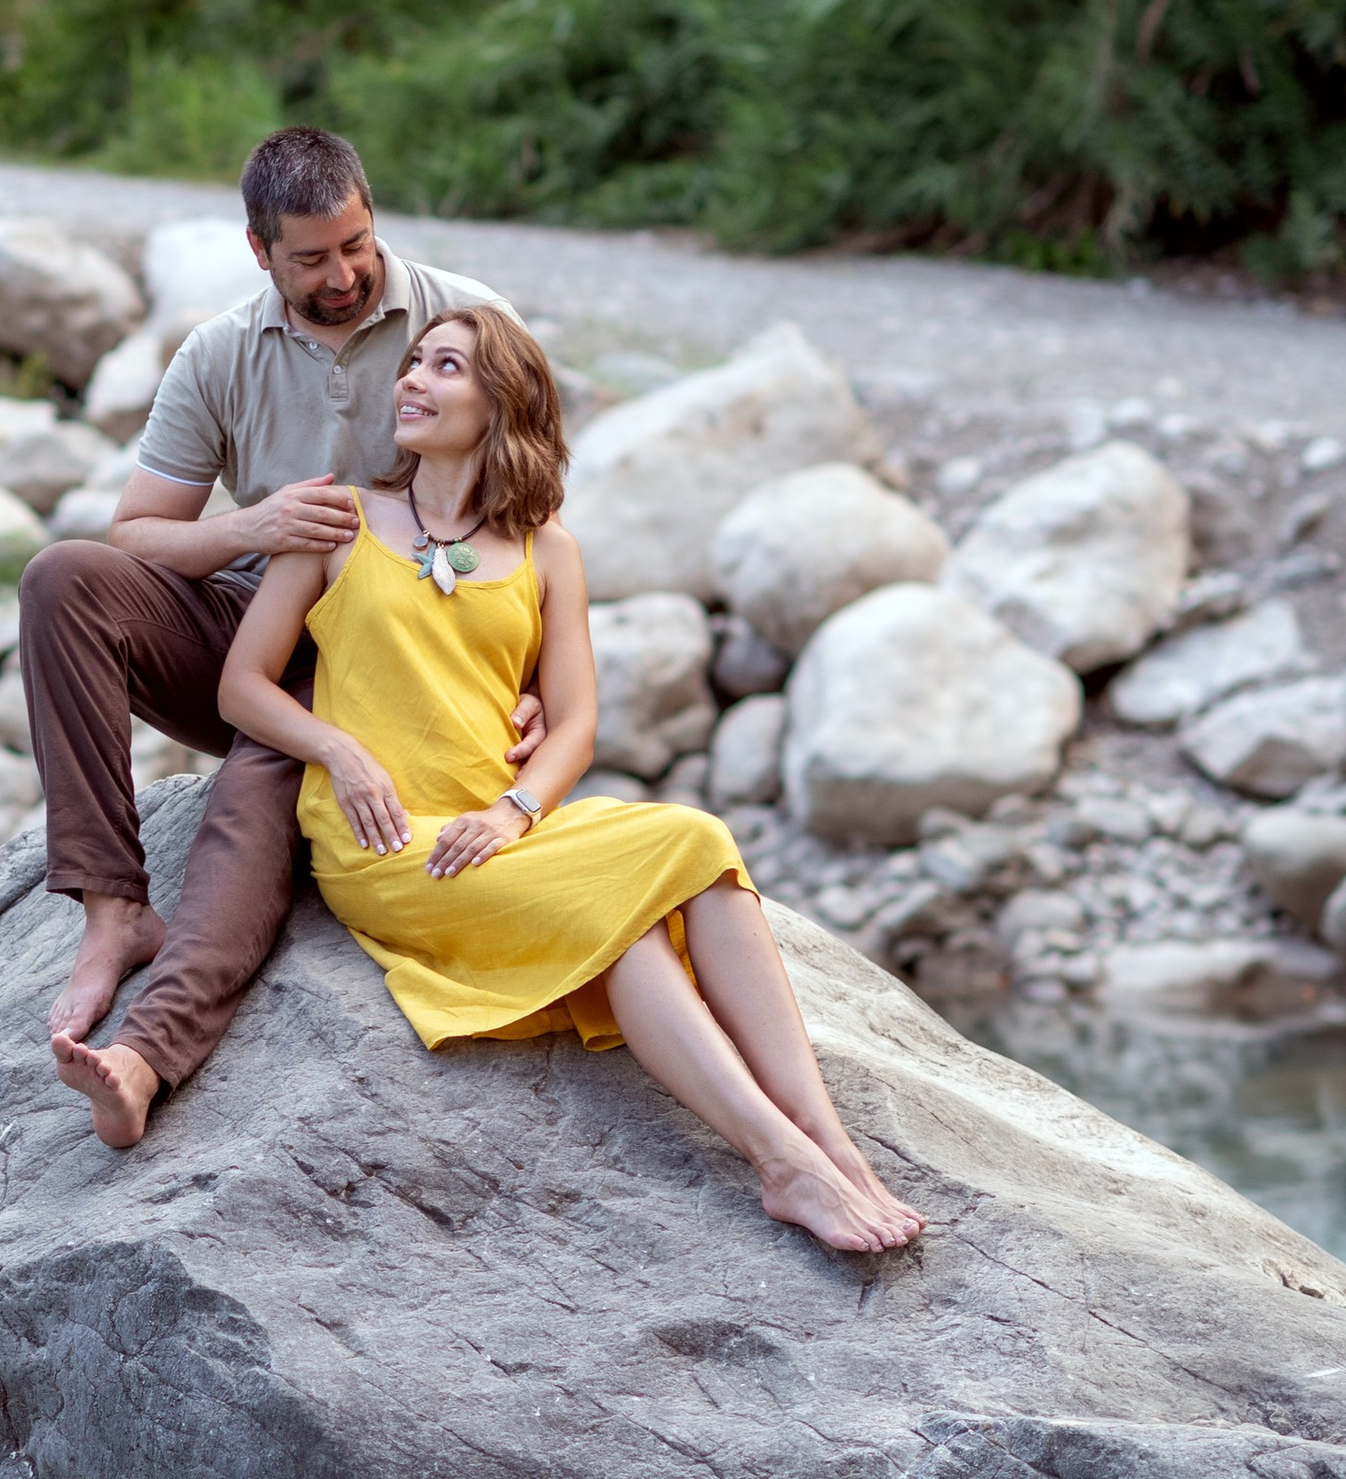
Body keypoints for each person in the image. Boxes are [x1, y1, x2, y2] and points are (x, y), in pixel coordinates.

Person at [216, 305, 924, 1258]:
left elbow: (576, 719)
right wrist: (341, 752)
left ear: (500, 400)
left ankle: (825, 1146)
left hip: (497, 828)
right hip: (388, 844)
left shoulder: (548, 549)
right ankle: (780, 1161)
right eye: (413, 364)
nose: (412, 381)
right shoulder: (338, 517)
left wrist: (516, 809)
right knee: (624, 920)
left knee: (697, 844)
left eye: (446, 366)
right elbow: (241, 686)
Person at [18, 126, 532, 1149]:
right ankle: (112, 904)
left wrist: (533, 683)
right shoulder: (217, 354)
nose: (342, 273)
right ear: (259, 252)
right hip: (253, 628)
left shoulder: (465, 325)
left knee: (256, 806)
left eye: (356, 243)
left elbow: (535, 521)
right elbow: (138, 532)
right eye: (311, 258)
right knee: (63, 577)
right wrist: (248, 527)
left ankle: (147, 1058)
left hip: (392, 665)